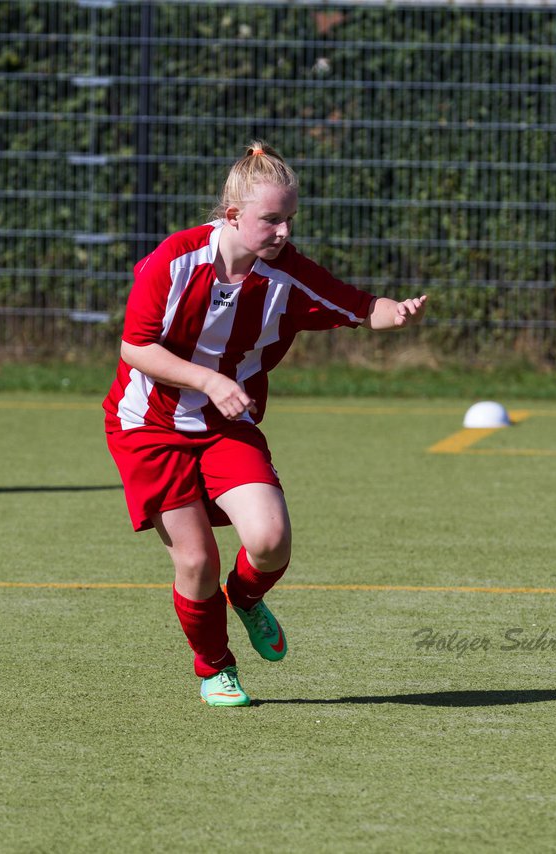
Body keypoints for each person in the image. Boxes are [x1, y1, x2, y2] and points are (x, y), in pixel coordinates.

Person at [104, 141, 428, 706]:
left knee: (272, 542)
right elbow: (135, 348)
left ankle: (246, 597)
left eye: (289, 220)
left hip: (226, 426)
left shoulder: (287, 274)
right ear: (232, 216)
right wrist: (208, 380)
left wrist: (393, 311)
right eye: (270, 220)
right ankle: (215, 667)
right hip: (149, 427)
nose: (282, 232)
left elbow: (356, 304)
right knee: (197, 559)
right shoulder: (175, 259)